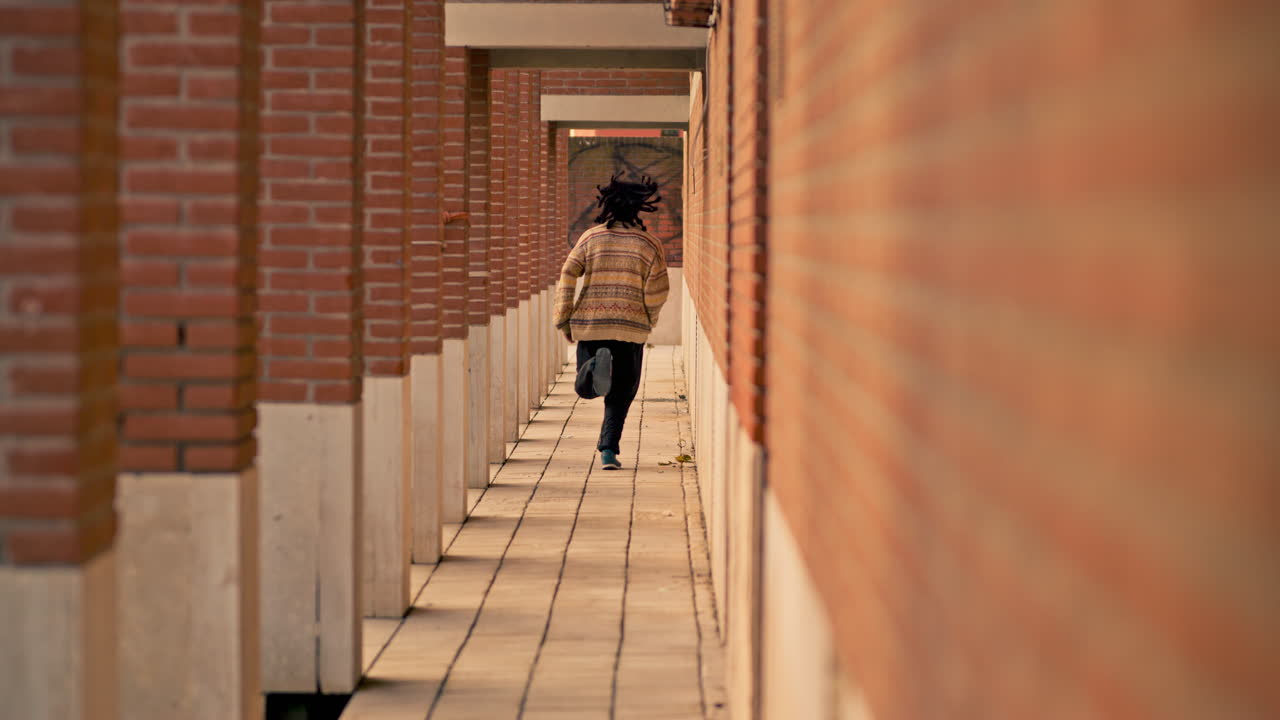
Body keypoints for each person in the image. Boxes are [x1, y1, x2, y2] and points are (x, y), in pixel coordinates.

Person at [554, 174, 670, 470]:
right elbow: (657, 289)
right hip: (629, 328)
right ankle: (608, 450)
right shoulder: (649, 243)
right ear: (638, 208)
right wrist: (648, 319)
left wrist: (564, 318)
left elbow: (568, 274)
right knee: (622, 391)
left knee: (586, 386)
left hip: (592, 324)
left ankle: (593, 365)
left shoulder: (591, 238)